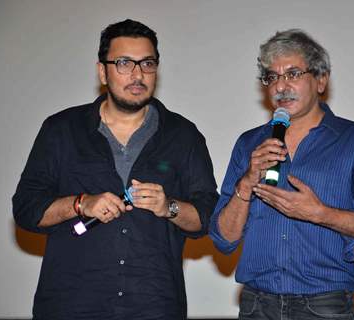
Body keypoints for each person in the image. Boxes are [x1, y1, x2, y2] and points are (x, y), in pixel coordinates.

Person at [12, 19, 218, 320]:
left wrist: (168, 206)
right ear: (102, 71)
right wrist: (81, 203)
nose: (137, 74)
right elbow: (26, 210)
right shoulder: (61, 130)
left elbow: (209, 218)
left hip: (154, 305)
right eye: (124, 63)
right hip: (71, 305)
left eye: (147, 63)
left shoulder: (184, 136)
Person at [209, 29, 354, 320]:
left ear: (321, 80)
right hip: (257, 305)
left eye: (293, 74)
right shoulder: (249, 144)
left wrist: (320, 213)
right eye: (272, 77)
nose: (281, 86)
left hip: (325, 306)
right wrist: (246, 184)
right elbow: (223, 239)